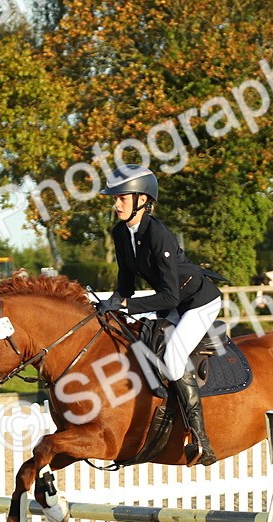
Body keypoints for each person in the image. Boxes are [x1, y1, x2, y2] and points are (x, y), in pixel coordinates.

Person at [95, 164, 222, 465]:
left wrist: (125, 306)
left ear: (142, 199)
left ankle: (200, 438)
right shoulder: (120, 233)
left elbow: (169, 295)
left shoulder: (158, 234)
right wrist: (110, 304)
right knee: (144, 344)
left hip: (197, 303)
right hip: (174, 305)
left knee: (173, 358)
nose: (116, 205)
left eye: (122, 199)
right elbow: (126, 283)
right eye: (115, 199)